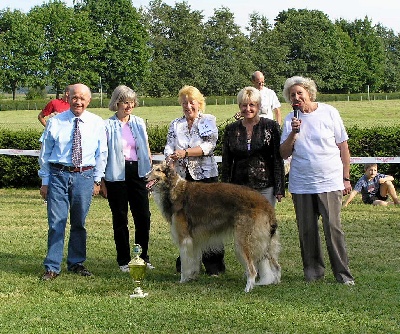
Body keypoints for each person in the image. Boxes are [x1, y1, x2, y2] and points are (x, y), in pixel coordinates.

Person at [280, 76, 355, 286]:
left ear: (309, 93)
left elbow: (343, 147)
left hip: (329, 181)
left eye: (299, 93)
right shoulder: (289, 119)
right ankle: (313, 274)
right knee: (307, 230)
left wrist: (345, 177)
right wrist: (293, 134)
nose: (296, 97)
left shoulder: (329, 112)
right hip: (302, 183)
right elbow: (283, 154)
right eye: (292, 95)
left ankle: (343, 275)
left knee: (333, 229)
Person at [38, 83, 108, 281]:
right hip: (58, 175)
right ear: (68, 98)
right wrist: (45, 181)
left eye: (82, 98)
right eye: (74, 97)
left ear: (89, 101)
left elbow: (101, 153)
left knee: (79, 222)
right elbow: (45, 154)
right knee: (56, 222)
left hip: (84, 176)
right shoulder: (55, 122)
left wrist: (97, 180)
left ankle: (76, 262)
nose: (78, 101)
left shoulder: (97, 123)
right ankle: (52, 266)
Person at [164, 85, 225, 276]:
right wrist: (170, 160)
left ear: (199, 103)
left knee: (210, 220)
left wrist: (185, 153)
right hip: (182, 181)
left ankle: (214, 265)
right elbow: (169, 146)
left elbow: (209, 146)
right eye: (184, 103)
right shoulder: (176, 124)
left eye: (191, 102)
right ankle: (187, 264)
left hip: (205, 178)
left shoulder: (208, 120)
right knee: (184, 222)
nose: (188, 106)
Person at [101, 85, 154, 273]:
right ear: (117, 103)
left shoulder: (139, 122)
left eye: (131, 102)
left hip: (138, 173)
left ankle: (143, 256)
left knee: (143, 217)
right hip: (116, 174)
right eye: (125, 102)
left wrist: (150, 173)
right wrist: (102, 181)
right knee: (120, 218)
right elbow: (103, 153)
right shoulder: (107, 125)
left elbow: (145, 148)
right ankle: (123, 259)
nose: (129, 106)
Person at [221, 86, 285, 208]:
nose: (248, 109)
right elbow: (226, 162)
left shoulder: (271, 126)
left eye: (252, 105)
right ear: (239, 106)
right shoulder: (231, 129)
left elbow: (277, 159)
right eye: (244, 105)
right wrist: (225, 188)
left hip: (266, 185)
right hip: (239, 187)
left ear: (259, 106)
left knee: (265, 224)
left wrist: (279, 187)